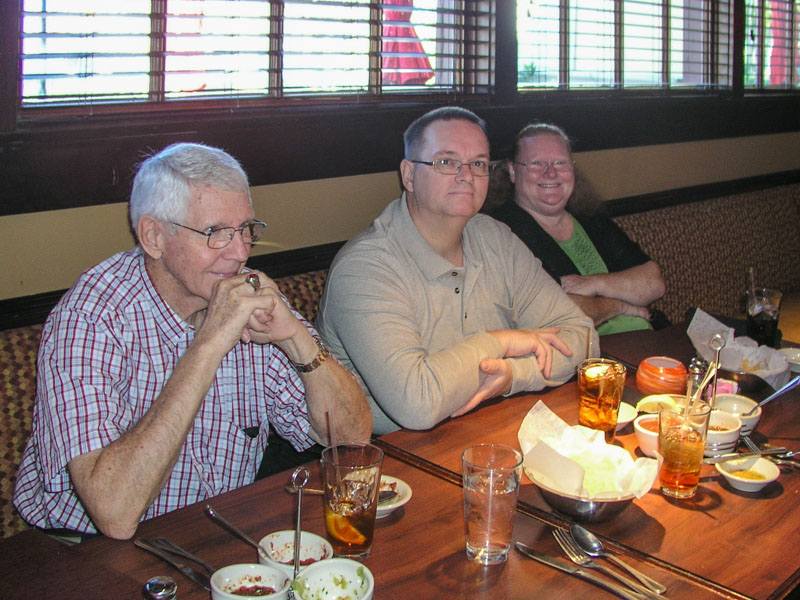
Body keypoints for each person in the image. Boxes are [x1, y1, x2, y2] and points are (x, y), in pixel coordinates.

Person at [14, 142, 371, 539]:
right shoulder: (91, 319)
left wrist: (297, 339)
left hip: (211, 531)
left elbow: (352, 441)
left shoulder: (247, 293)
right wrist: (208, 343)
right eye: (214, 232)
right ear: (153, 236)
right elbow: (114, 513)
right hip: (82, 550)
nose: (238, 253)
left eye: (245, 230)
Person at [316, 107, 597, 435]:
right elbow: (417, 405)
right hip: (385, 460)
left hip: (488, 432)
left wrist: (512, 375)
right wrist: (499, 342)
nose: (467, 175)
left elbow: (583, 338)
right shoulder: (365, 269)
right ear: (408, 175)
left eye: (478, 163)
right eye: (446, 162)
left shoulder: (494, 238)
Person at [488, 123, 666, 335]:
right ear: (513, 171)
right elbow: (554, 313)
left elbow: (653, 282)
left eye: (560, 163)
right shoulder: (502, 230)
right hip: (584, 357)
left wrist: (594, 284)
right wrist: (623, 306)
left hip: (645, 340)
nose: (551, 173)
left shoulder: (589, 217)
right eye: (537, 163)